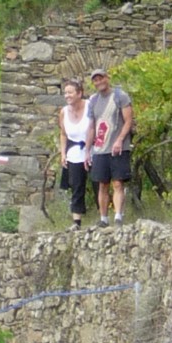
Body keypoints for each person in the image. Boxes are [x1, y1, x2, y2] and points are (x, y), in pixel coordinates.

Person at [83, 68, 134, 228]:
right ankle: (103, 218)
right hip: (100, 148)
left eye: (101, 78)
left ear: (107, 78)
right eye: (95, 80)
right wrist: (87, 151)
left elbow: (128, 120)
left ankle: (118, 216)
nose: (99, 82)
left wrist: (119, 140)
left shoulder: (120, 96)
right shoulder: (93, 101)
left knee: (118, 183)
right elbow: (91, 127)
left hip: (118, 147)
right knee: (102, 184)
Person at [59, 80, 91, 230]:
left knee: (100, 182)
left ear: (79, 93)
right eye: (65, 93)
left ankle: (104, 217)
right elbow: (63, 134)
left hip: (93, 149)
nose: (67, 96)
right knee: (76, 185)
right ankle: (76, 222)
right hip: (74, 153)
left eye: (70, 92)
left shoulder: (90, 106)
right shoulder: (64, 112)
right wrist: (63, 153)